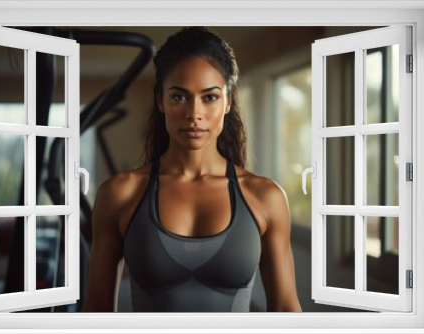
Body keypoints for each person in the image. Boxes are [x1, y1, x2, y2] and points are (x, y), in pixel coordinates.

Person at [82, 27, 302, 312]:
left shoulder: (266, 197)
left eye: (209, 97)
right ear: (160, 100)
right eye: (179, 97)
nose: (194, 113)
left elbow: (286, 309)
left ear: (228, 102)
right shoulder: (120, 194)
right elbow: (96, 313)